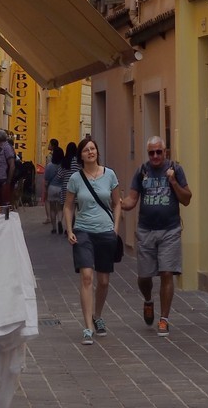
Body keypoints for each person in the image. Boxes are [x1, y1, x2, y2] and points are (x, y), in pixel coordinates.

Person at [120, 137, 192, 338]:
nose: (155, 156)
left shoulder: (175, 170)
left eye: (158, 152)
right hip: (146, 231)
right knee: (144, 277)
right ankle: (148, 300)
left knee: (167, 273)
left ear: (165, 151)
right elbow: (132, 199)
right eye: (151, 152)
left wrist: (173, 182)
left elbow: (186, 199)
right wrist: (119, 203)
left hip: (170, 230)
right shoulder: (142, 171)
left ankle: (164, 319)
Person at [63, 137, 121, 345]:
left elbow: (117, 203)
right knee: (87, 277)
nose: (90, 152)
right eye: (86, 150)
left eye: (93, 149)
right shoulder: (76, 179)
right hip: (83, 231)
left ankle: (98, 316)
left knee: (103, 281)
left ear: (97, 152)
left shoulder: (110, 175)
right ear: (81, 155)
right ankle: (88, 326)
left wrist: (115, 227)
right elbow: (69, 206)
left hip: (105, 231)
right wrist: (69, 229)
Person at [44, 145, 67, 232]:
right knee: (61, 208)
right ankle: (60, 221)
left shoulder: (49, 166)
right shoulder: (64, 165)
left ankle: (54, 228)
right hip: (61, 188)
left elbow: (46, 179)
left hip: (52, 187)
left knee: (52, 208)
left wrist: (46, 189)